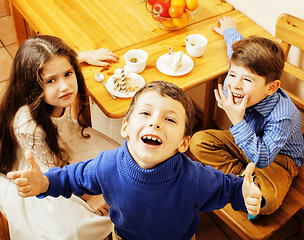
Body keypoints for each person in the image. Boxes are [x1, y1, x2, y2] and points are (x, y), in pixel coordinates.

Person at [8, 81, 263, 240]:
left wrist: (248, 195)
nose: (155, 122)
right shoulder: (106, 165)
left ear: (184, 143)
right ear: (126, 128)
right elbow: (70, 178)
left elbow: (229, 189)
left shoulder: (195, 178)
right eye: (145, 113)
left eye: (170, 119)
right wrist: (42, 183)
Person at [0, 35, 120, 240]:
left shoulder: (57, 87)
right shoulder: (28, 125)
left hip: (64, 137)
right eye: (51, 81)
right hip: (41, 163)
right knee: (78, 225)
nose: (65, 86)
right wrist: (88, 196)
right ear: (32, 86)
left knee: (118, 169)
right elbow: (54, 168)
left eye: (68, 73)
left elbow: (58, 64)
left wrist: (82, 57)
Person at [189, 16, 304, 216]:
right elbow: (233, 50)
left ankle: (249, 182)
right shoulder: (237, 79)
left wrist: (236, 120)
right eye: (232, 74)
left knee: (266, 203)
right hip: (245, 141)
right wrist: (228, 30)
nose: (234, 84)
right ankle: (243, 179)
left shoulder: (284, 115)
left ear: (271, 87)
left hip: (277, 159)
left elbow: (263, 159)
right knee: (197, 141)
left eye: (247, 80)